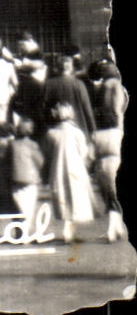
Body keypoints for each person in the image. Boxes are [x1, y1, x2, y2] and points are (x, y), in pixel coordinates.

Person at [43, 102, 95, 244]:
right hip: (76, 169)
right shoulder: (77, 133)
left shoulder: (51, 133)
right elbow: (83, 152)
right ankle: (70, 231)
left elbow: (48, 154)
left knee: (63, 198)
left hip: (57, 168)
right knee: (75, 199)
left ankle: (67, 231)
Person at [92, 61, 127, 243]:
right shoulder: (119, 88)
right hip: (115, 138)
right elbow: (118, 111)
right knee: (114, 191)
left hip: (102, 143)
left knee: (108, 191)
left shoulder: (103, 88)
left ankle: (113, 228)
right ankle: (116, 227)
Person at [42, 53, 96, 142]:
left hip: (56, 131)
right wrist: (93, 129)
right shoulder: (79, 84)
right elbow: (87, 109)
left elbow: (43, 108)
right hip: (79, 129)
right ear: (71, 68)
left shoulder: (49, 84)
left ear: (57, 68)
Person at [10, 115, 44, 224]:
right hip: (30, 180)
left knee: (17, 209)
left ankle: (19, 228)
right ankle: (25, 228)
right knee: (28, 210)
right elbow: (40, 162)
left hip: (15, 180)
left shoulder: (12, 145)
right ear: (31, 130)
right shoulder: (33, 145)